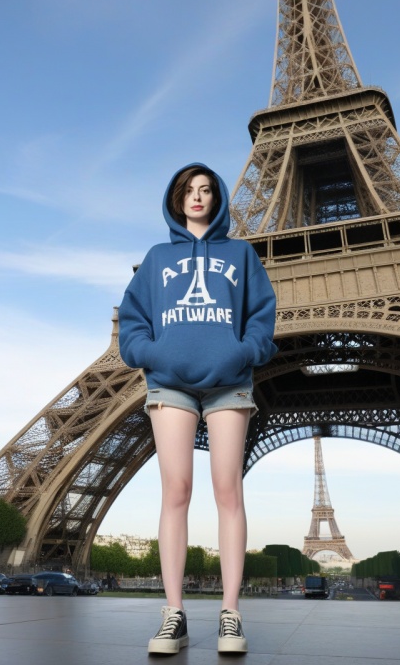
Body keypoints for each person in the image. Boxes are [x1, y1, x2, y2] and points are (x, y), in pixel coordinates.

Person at [118, 163, 277, 655]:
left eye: (206, 190)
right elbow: (132, 321)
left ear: (220, 197)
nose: (198, 197)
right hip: (170, 384)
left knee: (228, 490)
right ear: (175, 198)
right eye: (189, 190)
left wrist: (242, 352)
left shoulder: (242, 254)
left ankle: (231, 614)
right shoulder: (157, 257)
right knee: (176, 491)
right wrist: (153, 353)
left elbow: (262, 318)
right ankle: (174, 613)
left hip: (229, 383)